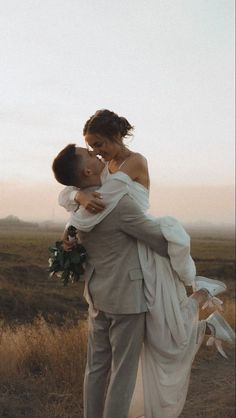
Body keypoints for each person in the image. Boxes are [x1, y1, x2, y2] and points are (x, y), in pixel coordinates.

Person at [52, 111, 235, 418]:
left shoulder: (133, 164)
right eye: (91, 149)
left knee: (154, 338)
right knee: (146, 351)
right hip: (126, 282)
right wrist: (78, 199)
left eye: (98, 144)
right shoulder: (102, 186)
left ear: (115, 137)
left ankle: (201, 304)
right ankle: (202, 309)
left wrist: (77, 208)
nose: (96, 152)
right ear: (86, 170)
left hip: (119, 273)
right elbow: (92, 200)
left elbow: (100, 201)